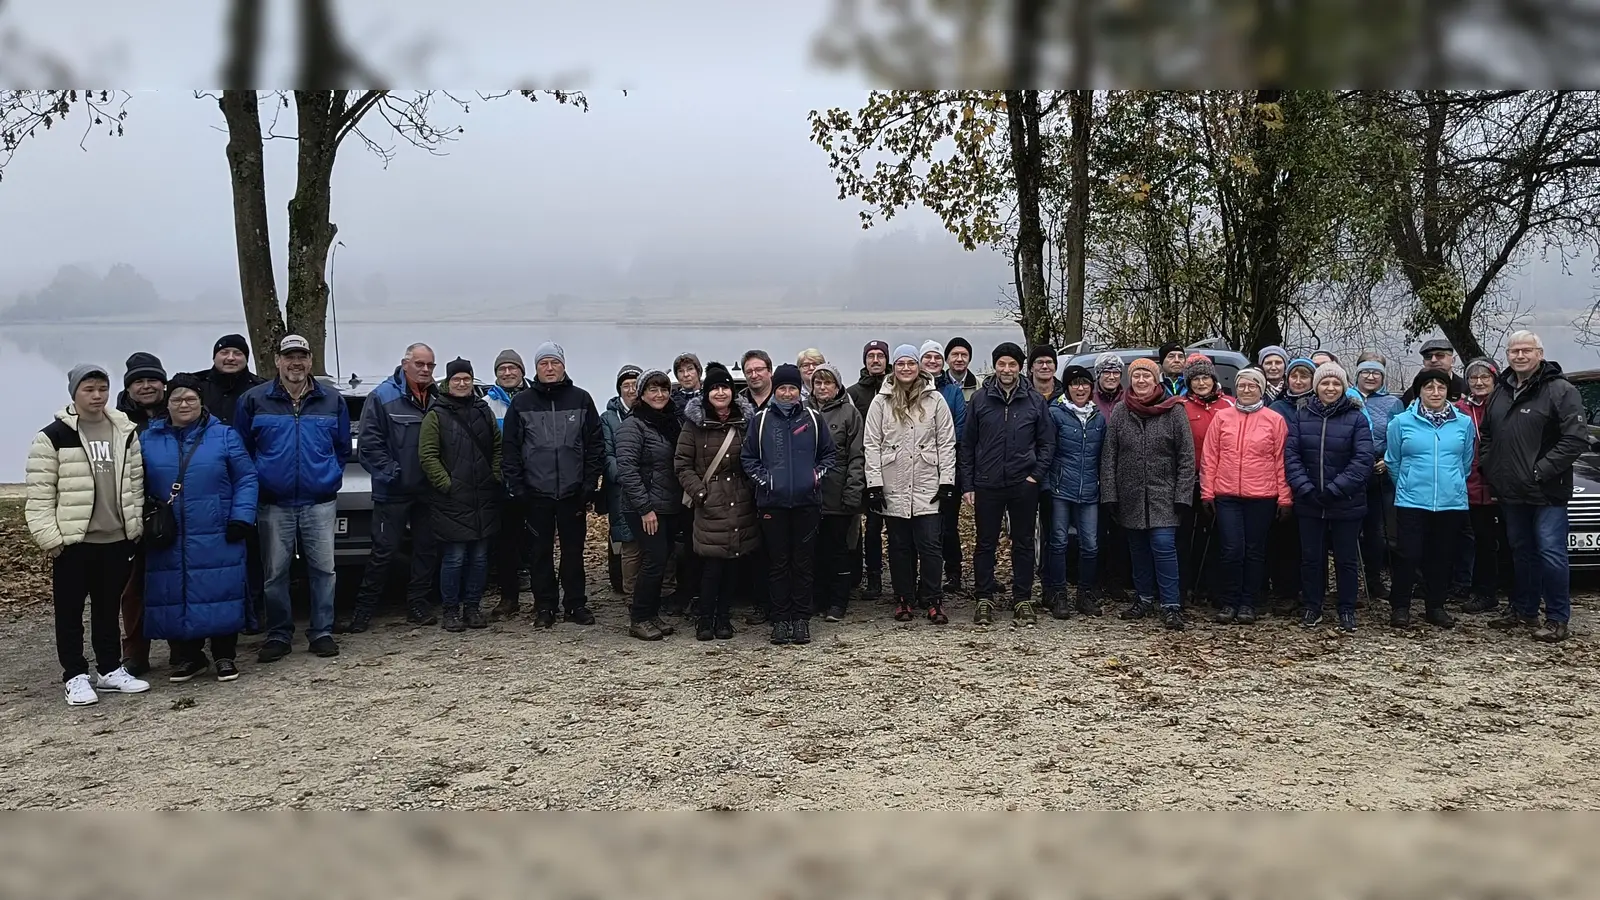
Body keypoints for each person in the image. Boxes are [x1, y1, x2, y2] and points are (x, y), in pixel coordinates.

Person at [27, 364, 150, 706]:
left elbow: (135, 483)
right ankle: (75, 675)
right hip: (74, 542)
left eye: (102, 389)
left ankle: (109, 670)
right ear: (74, 393)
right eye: (89, 390)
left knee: (108, 609)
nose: (97, 396)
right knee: (69, 613)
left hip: (116, 539)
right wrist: (51, 538)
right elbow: (39, 493)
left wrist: (134, 526)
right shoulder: (53, 436)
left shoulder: (124, 431)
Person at [234, 334, 348, 663]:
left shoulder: (331, 400)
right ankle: (280, 633)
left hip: (319, 501)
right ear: (277, 361)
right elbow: (242, 449)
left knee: (324, 570)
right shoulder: (254, 400)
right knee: (275, 573)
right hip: (273, 503)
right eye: (289, 356)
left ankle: (322, 631)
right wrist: (262, 481)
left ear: (311, 360)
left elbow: (340, 448)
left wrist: (330, 476)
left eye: (302, 356)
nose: (295, 363)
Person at [140, 373, 259, 682]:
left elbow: (246, 477)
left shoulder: (224, 435)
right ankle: (188, 656)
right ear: (167, 403)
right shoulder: (148, 439)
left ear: (200, 401)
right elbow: (133, 482)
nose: (184, 404)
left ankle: (224, 655)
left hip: (217, 527)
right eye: (177, 399)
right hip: (168, 531)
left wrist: (241, 517)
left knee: (220, 589)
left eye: (190, 398)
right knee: (173, 591)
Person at [1481, 330, 1587, 642]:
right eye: (1514, 351)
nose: (1520, 356)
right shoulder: (1500, 391)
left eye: (1527, 350)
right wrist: (1491, 466)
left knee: (1551, 552)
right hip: (1511, 490)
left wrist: (1540, 471)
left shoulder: (1560, 390)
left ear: (1539, 354)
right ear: (1508, 355)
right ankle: (1524, 610)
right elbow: (1487, 434)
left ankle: (1556, 618)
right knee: (1521, 552)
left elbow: (1575, 439)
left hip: (1547, 491)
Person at [503, 342, 605, 629]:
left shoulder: (581, 399)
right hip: (537, 493)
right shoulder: (522, 403)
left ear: (563, 366)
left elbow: (594, 445)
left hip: (572, 492)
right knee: (540, 553)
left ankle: (575, 604)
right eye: (543, 364)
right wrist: (518, 487)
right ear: (536, 369)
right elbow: (510, 449)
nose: (549, 368)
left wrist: (589, 482)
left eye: (554, 363)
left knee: (573, 552)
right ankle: (545, 605)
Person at [343, 342, 440, 632]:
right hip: (393, 490)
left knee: (426, 550)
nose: (425, 370)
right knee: (383, 552)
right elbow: (370, 446)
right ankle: (363, 611)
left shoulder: (438, 397)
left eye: (430, 365)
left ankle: (418, 605)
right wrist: (394, 473)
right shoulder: (382, 396)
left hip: (428, 491)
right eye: (419, 364)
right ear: (405, 363)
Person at [960, 341, 1054, 627]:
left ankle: (1022, 598)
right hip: (987, 483)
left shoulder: (1034, 400)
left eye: (1012, 364)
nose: (1007, 369)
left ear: (1019, 367)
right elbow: (967, 445)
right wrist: (968, 485)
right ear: (995, 366)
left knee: (1023, 543)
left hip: (1022, 484)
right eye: (1002, 364)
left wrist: (1034, 476)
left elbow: (1047, 443)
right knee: (985, 543)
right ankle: (984, 597)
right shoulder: (980, 399)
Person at [742, 363, 837, 646]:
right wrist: (766, 481)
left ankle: (801, 620)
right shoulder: (760, 421)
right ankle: (780, 619)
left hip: (807, 503)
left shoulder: (813, 418)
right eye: (782, 388)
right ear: (776, 389)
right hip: (773, 504)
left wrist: (813, 477)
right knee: (778, 563)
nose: (786, 393)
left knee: (804, 563)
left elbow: (829, 455)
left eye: (792, 388)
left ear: (799, 389)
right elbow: (748, 458)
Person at [1101, 357, 1195, 630]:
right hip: (1130, 494)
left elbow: (1186, 457)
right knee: (1138, 550)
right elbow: (1110, 456)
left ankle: (1171, 605)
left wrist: (1183, 494)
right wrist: (1110, 494)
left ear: (1157, 380)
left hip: (1164, 494)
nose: (1141, 381)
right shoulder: (1121, 411)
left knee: (1164, 547)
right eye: (1137, 376)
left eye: (1147, 376)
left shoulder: (1174, 410)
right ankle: (1143, 599)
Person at [865, 345, 957, 624]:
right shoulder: (881, 401)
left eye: (911, 363)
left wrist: (947, 481)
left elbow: (947, 443)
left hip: (928, 483)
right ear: (894, 367)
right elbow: (871, 443)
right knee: (899, 545)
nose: (906, 369)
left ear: (919, 367)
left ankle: (932, 598)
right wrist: (874, 484)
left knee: (930, 545)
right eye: (901, 363)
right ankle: (903, 597)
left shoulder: (935, 400)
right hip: (894, 482)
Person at [1284, 363, 1374, 632]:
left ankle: (1346, 608)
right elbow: (1292, 456)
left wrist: (1336, 489)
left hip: (1346, 502)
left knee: (1346, 560)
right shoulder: (1302, 416)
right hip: (1310, 502)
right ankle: (1313, 606)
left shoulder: (1356, 418)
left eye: (1336, 384)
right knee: (1311, 558)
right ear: (1317, 386)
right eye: (1325, 383)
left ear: (1344, 387)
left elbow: (1363, 460)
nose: (1330, 388)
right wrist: (1306, 488)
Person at [1385, 368, 1475, 630]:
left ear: (1448, 391)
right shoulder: (1401, 423)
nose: (1435, 392)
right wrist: (1408, 483)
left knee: (1441, 556)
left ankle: (1435, 606)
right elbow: (1393, 461)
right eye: (1429, 387)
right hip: (1412, 500)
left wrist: (1453, 483)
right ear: (1419, 391)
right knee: (1408, 555)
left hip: (1450, 502)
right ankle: (1400, 607)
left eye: (1440, 387)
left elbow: (1465, 461)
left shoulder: (1463, 423)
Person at [676, 362, 758, 642]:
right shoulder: (694, 425)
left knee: (733, 564)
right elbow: (682, 464)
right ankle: (704, 619)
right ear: (706, 393)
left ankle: (724, 618)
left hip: (740, 500)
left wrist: (749, 488)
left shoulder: (745, 422)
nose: (720, 392)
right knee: (711, 566)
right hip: (709, 502)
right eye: (715, 388)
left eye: (725, 387)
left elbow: (754, 458)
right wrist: (700, 493)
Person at [419, 358, 503, 633]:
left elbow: (497, 446)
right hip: (452, 500)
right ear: (448, 381)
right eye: (457, 379)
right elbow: (427, 455)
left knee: (479, 558)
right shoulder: (436, 414)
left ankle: (473, 607)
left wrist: (495, 476)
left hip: (483, 497)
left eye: (467, 378)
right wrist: (447, 484)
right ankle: (451, 610)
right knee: (454, 558)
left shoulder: (483, 411)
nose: (462, 383)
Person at [1201, 368, 1290, 625]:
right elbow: (1210, 457)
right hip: (1227, 494)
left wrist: (1285, 498)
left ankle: (1248, 603)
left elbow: (1281, 462)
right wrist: (1207, 492)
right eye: (1242, 385)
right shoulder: (1222, 418)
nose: (1247, 390)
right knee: (1231, 549)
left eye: (1253, 385)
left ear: (1261, 389)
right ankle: (1229, 601)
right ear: (1235, 388)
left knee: (1254, 551)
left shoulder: (1274, 420)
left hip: (1262, 495)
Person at [616, 370, 685, 641]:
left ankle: (651, 612)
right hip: (643, 508)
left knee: (663, 558)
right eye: (653, 390)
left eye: (664, 389)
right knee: (653, 559)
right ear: (642, 394)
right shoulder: (633, 426)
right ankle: (639, 617)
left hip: (667, 504)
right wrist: (645, 508)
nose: (659, 395)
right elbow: (627, 470)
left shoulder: (669, 422)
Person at [115, 351, 166, 676]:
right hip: (128, 512)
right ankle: (134, 652)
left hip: (169, 511)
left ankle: (182, 647)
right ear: (129, 388)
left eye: (152, 380)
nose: (146, 386)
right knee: (131, 588)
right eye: (139, 382)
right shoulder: (115, 422)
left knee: (172, 581)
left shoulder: (178, 410)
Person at [1043, 365, 1106, 619]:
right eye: (1075, 384)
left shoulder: (1098, 418)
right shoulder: (1055, 414)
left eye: (1085, 384)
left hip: (1090, 490)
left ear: (1091, 388)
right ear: (1067, 388)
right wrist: (1047, 484)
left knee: (1090, 545)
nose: (1080, 388)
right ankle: (1058, 594)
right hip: (1061, 488)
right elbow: (1047, 450)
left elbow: (1104, 456)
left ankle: (1084, 594)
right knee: (1058, 543)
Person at [810, 362, 864, 622]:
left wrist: (853, 493)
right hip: (808, 497)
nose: (822, 387)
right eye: (818, 383)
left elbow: (857, 456)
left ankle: (838, 602)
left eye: (828, 382)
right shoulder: (803, 411)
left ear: (838, 385)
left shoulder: (849, 414)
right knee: (814, 551)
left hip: (838, 494)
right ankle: (817, 598)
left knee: (839, 551)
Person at [481, 350, 534, 618]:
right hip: (502, 483)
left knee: (537, 540)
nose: (507, 373)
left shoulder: (535, 398)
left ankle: (542, 597)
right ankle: (508, 596)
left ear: (522, 371)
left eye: (512, 368)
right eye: (502, 369)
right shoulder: (487, 404)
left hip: (536, 481)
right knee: (505, 543)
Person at [1457, 357, 1511, 614]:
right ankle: (1483, 592)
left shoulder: (1507, 404)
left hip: (1504, 483)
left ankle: (1516, 596)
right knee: (1482, 542)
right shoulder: (1459, 409)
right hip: (1472, 485)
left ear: (1494, 378)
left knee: (1511, 542)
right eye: (1473, 378)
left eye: (1484, 377)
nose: (1478, 382)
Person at [1178, 354, 1233, 607]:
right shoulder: (1180, 407)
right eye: (1196, 379)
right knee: (1186, 537)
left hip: (1224, 483)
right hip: (1189, 481)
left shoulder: (1230, 405)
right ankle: (1185, 587)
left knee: (1218, 537)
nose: (1201, 383)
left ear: (1214, 379)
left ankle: (1215, 589)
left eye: (1205, 378)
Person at [1265, 357, 1317, 615]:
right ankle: (1285, 591)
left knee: (1310, 542)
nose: (1298, 381)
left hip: (1314, 481)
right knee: (1283, 540)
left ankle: (1310, 593)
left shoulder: (1320, 406)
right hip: (1281, 479)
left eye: (1304, 376)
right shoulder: (1276, 407)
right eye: (1294, 376)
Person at [1353, 356, 1403, 601]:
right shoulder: (1348, 396)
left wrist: (1389, 459)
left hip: (1380, 471)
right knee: (1351, 530)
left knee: (1377, 532)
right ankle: (1349, 581)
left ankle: (1374, 581)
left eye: (1376, 373)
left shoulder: (1393, 402)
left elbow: (1399, 433)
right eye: (1365, 372)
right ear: (1357, 375)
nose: (1370, 377)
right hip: (1353, 471)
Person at [922, 340, 968, 592]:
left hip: (949, 464)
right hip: (919, 466)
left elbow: (959, 427)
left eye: (936, 358)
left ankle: (953, 571)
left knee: (948, 523)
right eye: (927, 357)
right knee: (925, 524)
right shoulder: (912, 388)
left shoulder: (952, 391)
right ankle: (926, 572)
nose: (932, 361)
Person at [847, 340, 891, 601]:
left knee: (897, 527)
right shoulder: (853, 393)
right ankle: (871, 576)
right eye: (871, 356)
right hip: (865, 469)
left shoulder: (896, 389)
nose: (875, 360)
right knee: (869, 528)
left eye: (880, 356)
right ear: (864, 361)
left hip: (896, 467)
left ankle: (901, 576)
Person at [599, 365, 643, 612]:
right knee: (628, 544)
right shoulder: (608, 418)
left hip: (650, 489)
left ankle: (655, 593)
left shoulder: (651, 413)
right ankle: (630, 596)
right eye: (626, 386)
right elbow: (607, 456)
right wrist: (631, 476)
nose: (631, 390)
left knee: (655, 544)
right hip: (621, 490)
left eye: (635, 385)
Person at [189, 333, 266, 427]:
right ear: (214, 357)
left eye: (237, 354)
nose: (230, 358)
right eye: (224, 353)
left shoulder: (261, 388)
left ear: (246, 359)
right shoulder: (194, 384)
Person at [1401, 338, 1468, 405]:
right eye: (1428, 356)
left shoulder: (1466, 389)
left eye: (1440, 355)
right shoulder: (1413, 392)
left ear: (1453, 360)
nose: (1433, 360)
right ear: (1424, 362)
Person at [944, 336, 982, 403]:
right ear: (946, 359)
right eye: (955, 354)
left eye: (964, 355)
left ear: (969, 359)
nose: (959, 359)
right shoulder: (938, 385)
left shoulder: (981, 386)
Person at [1092, 352, 1124, 419]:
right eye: (1107, 372)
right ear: (1098, 375)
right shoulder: (1090, 400)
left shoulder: (1128, 399)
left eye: (1116, 373)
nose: (1112, 377)